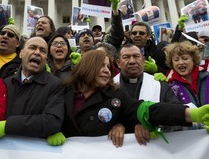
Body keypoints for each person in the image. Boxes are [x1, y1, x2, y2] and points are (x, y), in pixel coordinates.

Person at [48, 50, 209, 147]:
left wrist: (191, 114)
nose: (107, 71)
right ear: (88, 66)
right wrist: (49, 130)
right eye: (101, 66)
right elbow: (42, 115)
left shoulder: (115, 95)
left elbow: (147, 109)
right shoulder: (61, 90)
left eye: (108, 67)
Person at [0, 37, 65, 142]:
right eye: (32, 48)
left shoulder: (55, 85)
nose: (37, 53)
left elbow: (52, 121)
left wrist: (8, 125)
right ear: (21, 54)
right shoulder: (6, 83)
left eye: (42, 51)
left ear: (46, 59)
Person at [113, 44, 181, 145]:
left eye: (136, 56)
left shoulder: (159, 84)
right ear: (118, 63)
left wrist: (151, 123)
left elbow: (177, 113)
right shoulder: (109, 86)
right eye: (126, 57)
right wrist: (114, 124)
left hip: (153, 147)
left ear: (143, 60)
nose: (132, 61)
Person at [164, 41, 209, 108]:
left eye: (185, 58)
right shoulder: (170, 85)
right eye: (176, 60)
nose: (181, 62)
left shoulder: (206, 77)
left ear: (193, 60)